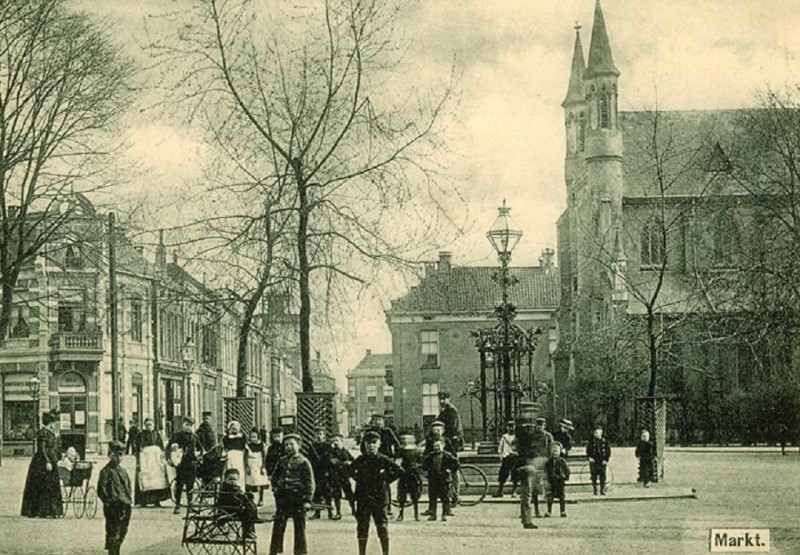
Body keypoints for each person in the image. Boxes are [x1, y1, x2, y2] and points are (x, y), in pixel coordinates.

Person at [350, 431, 401, 555]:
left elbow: (398, 470)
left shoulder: (383, 459)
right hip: (363, 497)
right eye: (368, 443)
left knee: (382, 526)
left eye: (374, 443)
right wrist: (360, 479)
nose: (371, 446)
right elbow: (350, 470)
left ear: (379, 444)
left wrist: (385, 480)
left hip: (379, 497)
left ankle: (385, 553)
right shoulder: (360, 460)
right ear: (364, 445)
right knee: (362, 527)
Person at [269, 433, 314, 555]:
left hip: (297, 498)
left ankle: (300, 552)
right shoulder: (281, 461)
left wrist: (307, 500)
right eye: (286, 445)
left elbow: (309, 483)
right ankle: (275, 551)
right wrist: (275, 488)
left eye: (291, 444)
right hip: (283, 498)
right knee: (278, 525)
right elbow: (274, 476)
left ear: (298, 445)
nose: (288, 447)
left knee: (299, 528)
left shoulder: (304, 462)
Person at [21, 408, 63, 518]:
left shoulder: (52, 433)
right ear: (51, 423)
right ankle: (39, 511)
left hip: (51, 462)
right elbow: (42, 449)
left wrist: (58, 458)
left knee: (51, 485)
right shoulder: (43, 433)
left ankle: (51, 510)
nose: (55, 425)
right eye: (54, 422)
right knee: (41, 485)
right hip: (41, 463)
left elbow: (55, 448)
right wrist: (47, 462)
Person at [516, 416, 553, 529]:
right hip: (531, 467)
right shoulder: (528, 440)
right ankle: (527, 520)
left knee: (527, 493)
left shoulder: (523, 439)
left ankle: (527, 517)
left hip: (530, 466)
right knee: (529, 493)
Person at [97, 440, 132, 555]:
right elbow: (101, 490)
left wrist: (128, 501)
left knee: (123, 531)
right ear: (110, 455)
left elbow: (128, 487)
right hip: (113, 507)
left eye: (121, 455)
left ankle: (116, 549)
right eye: (116, 455)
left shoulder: (123, 471)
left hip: (125, 506)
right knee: (113, 532)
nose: (119, 458)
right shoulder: (106, 471)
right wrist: (109, 502)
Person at [217, 468, 263, 540]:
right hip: (228, 509)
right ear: (225, 479)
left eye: (235, 479)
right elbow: (230, 499)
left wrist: (245, 496)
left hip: (235, 507)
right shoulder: (225, 489)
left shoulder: (235, 488)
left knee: (250, 503)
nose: (232, 481)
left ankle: (251, 527)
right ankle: (247, 531)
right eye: (230, 479)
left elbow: (239, 496)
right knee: (246, 511)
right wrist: (242, 499)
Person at [422, 438, 459, 522]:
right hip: (433, 479)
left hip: (444, 479)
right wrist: (427, 471)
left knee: (445, 498)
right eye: (435, 446)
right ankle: (433, 515)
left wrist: (450, 469)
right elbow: (424, 465)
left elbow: (456, 464)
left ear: (443, 445)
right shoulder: (431, 455)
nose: (436, 448)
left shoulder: (448, 455)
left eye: (438, 446)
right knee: (432, 497)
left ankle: (444, 514)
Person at [135, 418, 169, 508]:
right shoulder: (141, 435)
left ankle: (156, 501)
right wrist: (139, 460)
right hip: (146, 460)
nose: (149, 427)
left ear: (153, 425)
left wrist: (162, 455)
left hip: (156, 460)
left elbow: (161, 446)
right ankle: (144, 501)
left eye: (150, 424)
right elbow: (138, 448)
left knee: (157, 480)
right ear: (145, 426)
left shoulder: (156, 434)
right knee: (145, 479)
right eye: (147, 425)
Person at [170, 416, 201, 513]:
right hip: (181, 463)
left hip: (191, 463)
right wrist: (173, 450)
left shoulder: (195, 437)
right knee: (179, 484)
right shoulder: (177, 436)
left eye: (191, 426)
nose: (189, 427)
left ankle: (190, 505)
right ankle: (177, 505)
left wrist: (198, 453)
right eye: (187, 425)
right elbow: (169, 448)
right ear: (183, 424)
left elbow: (200, 449)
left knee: (190, 485)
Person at [395, 435, 423, 521]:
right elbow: (397, 461)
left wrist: (417, 467)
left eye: (407, 439)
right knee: (401, 495)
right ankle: (401, 514)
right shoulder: (401, 450)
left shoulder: (417, 450)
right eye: (403, 439)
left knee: (415, 495)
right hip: (404, 474)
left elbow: (421, 461)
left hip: (413, 474)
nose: (405, 440)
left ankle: (416, 514)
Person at [328, 433, 355, 519]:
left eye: (337, 440)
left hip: (344, 476)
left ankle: (354, 510)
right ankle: (338, 512)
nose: (335, 442)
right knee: (336, 495)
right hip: (335, 476)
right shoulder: (331, 452)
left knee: (349, 493)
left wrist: (350, 463)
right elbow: (331, 461)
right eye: (333, 441)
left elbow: (352, 460)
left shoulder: (345, 451)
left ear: (341, 441)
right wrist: (343, 463)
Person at [308, 426, 333, 520]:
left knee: (327, 493)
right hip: (315, 472)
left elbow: (329, 459)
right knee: (317, 493)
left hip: (325, 471)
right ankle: (317, 513)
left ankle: (330, 512)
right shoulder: (312, 446)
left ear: (324, 436)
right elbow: (309, 458)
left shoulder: (327, 446)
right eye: (317, 434)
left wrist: (327, 470)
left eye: (321, 434)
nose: (319, 436)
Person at [493, 421, 518, 498]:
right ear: (507, 427)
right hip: (506, 457)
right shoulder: (504, 437)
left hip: (515, 458)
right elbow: (500, 447)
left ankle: (514, 492)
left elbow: (520, 447)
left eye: (512, 426)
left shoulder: (517, 437)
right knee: (502, 475)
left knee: (515, 475)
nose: (511, 428)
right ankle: (500, 491)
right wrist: (501, 455)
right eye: (509, 426)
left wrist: (517, 453)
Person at [544, 441, 570, 518]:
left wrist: (565, 477)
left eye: (556, 452)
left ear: (559, 452)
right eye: (553, 451)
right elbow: (546, 470)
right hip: (551, 482)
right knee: (550, 496)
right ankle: (549, 511)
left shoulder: (562, 461)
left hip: (560, 481)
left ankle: (563, 511)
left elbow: (567, 470)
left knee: (561, 496)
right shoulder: (549, 462)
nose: (555, 453)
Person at [245, 429, 269, 506]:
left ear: (258, 438)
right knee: (248, 482)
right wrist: (247, 466)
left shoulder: (261, 446)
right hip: (250, 463)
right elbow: (245, 457)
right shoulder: (247, 446)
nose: (253, 439)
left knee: (260, 482)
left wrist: (263, 467)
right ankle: (249, 499)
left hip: (259, 464)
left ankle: (261, 499)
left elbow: (264, 457)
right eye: (252, 437)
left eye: (255, 437)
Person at [586, 424, 612, 495]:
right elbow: (588, 451)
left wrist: (606, 460)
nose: (596, 434)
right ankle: (595, 490)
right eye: (595, 433)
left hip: (602, 460)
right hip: (594, 461)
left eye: (598, 433)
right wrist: (590, 458)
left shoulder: (605, 442)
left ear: (601, 433)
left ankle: (602, 490)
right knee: (593, 475)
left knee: (602, 475)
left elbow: (608, 452)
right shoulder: (591, 442)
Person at [223, 420, 247, 492]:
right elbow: (225, 448)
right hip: (230, 457)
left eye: (236, 428)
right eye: (232, 428)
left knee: (240, 472)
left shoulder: (242, 437)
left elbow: (244, 448)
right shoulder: (226, 438)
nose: (234, 429)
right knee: (230, 471)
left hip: (239, 457)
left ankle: (241, 489)